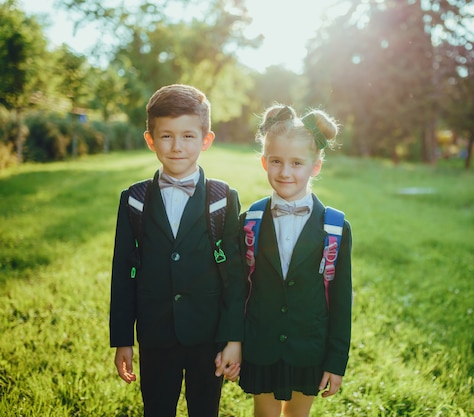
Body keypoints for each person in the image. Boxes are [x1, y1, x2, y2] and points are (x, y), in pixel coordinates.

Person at [109, 84, 246, 417]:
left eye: (188, 136)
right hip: (155, 335)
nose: (177, 146)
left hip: (207, 335)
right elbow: (122, 273)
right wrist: (122, 339)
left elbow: (236, 276)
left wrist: (233, 338)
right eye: (166, 136)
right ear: (150, 139)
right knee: (157, 408)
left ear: (206, 140)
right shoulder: (134, 200)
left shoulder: (222, 199)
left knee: (204, 410)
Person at [239, 105, 352, 417]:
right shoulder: (249, 220)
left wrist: (335, 361)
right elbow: (237, 288)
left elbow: (341, 302)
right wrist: (233, 341)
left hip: (309, 347)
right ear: (264, 162)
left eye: (297, 163)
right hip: (260, 343)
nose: (285, 172)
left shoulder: (335, 227)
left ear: (315, 166)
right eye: (276, 161)